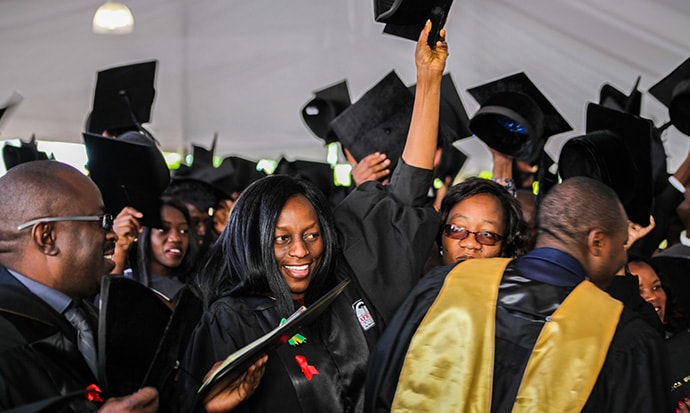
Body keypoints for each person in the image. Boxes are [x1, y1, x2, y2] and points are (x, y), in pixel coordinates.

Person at [180, 21, 447, 412]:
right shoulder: (233, 321)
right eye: (281, 238)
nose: (301, 251)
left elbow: (406, 195)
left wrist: (428, 78)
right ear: (255, 241)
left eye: (311, 234)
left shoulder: (343, 284)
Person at [365, 176, 670, 412]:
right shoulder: (624, 335)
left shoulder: (442, 287)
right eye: (621, 249)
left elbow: (382, 386)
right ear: (598, 242)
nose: (621, 259)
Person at [0, 160, 159, 412]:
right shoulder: (9, 339)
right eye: (100, 221)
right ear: (47, 237)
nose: (112, 235)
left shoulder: (81, 312)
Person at [111, 196, 199, 307]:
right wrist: (120, 249)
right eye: (164, 229)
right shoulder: (126, 280)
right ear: (143, 233)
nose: (176, 238)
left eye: (184, 231)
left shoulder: (197, 291)